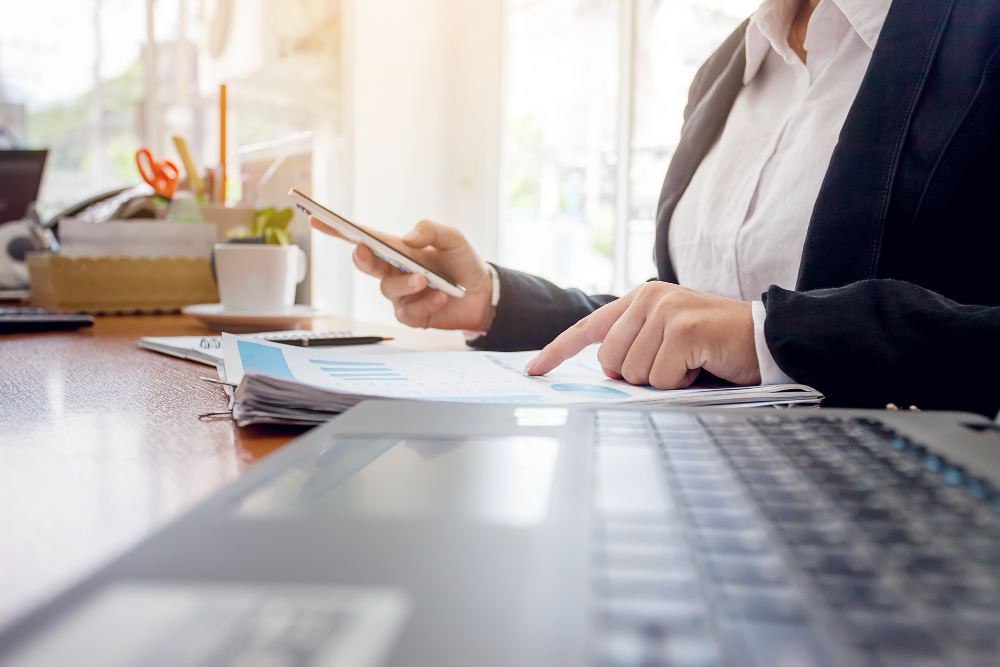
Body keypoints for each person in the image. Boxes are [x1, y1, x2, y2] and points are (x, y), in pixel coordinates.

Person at [313, 0, 1000, 417]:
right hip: (699, 488)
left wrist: (771, 335)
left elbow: (744, 333)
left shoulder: (978, 35)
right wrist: (490, 297)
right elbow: (685, 325)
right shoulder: (725, 69)